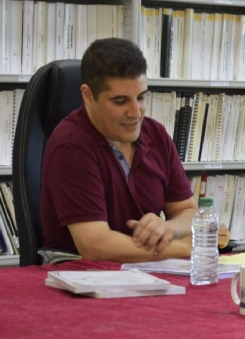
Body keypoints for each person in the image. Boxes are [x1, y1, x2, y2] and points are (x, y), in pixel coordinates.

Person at [41, 38, 229, 262]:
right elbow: (95, 246)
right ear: (88, 96)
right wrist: (184, 247)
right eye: (120, 101)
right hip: (80, 272)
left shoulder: (156, 134)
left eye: (140, 97)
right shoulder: (70, 145)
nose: (135, 112)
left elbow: (187, 211)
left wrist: (166, 228)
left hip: (146, 269)